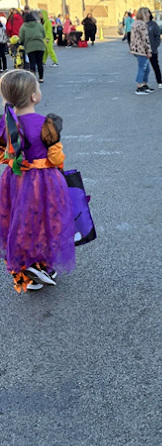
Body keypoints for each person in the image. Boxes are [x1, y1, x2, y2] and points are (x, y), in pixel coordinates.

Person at [0, 70, 75, 292]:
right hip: (45, 181)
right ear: (34, 96)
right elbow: (55, 157)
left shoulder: (4, 123)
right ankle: (44, 266)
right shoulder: (46, 123)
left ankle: (28, 268)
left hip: (16, 180)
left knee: (22, 221)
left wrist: (15, 162)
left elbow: (3, 153)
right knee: (46, 220)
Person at [129, 7, 153, 95]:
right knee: (142, 68)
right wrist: (149, 51)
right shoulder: (142, 24)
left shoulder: (135, 23)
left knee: (146, 68)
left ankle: (144, 85)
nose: (149, 15)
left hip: (136, 49)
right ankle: (139, 87)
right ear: (143, 14)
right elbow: (145, 39)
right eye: (147, 13)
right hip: (141, 50)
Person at [19, 13, 45, 82]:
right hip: (40, 45)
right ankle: (41, 78)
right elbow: (44, 34)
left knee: (32, 62)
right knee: (40, 62)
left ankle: (33, 78)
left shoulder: (23, 26)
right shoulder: (39, 25)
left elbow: (21, 37)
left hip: (30, 46)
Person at [147, 10, 162, 88]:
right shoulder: (141, 24)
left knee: (155, 66)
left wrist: (154, 46)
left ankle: (159, 82)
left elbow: (157, 37)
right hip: (143, 51)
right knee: (144, 68)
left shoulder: (153, 24)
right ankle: (144, 84)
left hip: (153, 50)